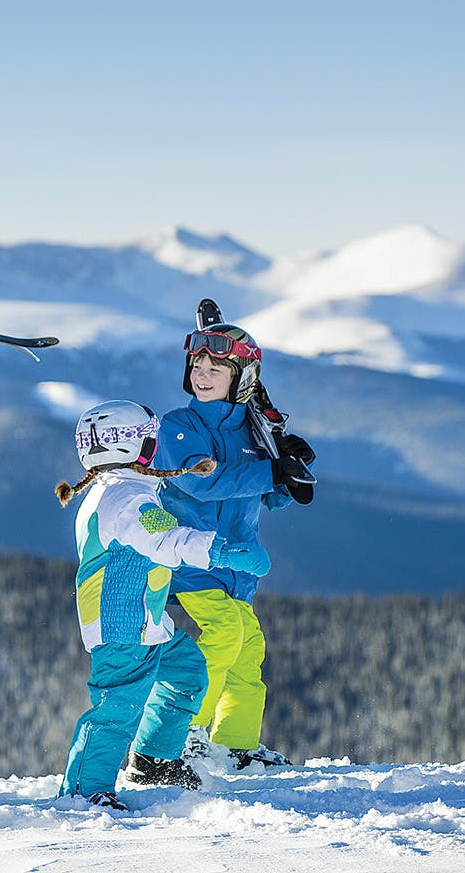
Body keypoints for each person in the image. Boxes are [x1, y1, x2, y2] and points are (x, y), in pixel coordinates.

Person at [56, 398, 270, 807]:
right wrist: (225, 552)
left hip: (145, 618)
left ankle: (153, 760)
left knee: (187, 669)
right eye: (150, 442)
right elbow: (169, 539)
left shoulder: (114, 492)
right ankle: (85, 792)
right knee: (117, 706)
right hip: (123, 625)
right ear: (137, 450)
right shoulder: (129, 501)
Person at [128, 320, 313, 777]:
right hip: (190, 559)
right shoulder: (178, 426)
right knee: (226, 633)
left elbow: (264, 497)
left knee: (248, 650)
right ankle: (178, 734)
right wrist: (271, 471)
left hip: (238, 568)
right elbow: (206, 482)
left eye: (216, 368)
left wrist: (289, 475)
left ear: (241, 379)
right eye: (197, 365)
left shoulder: (252, 432)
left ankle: (235, 746)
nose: (203, 374)